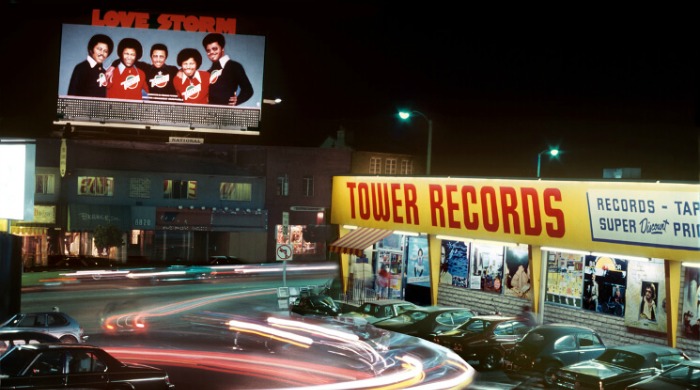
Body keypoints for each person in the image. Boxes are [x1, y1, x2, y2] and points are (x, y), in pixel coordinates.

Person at [110, 43, 179, 101]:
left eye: (161, 56)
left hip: (171, 105)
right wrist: (112, 67)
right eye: (155, 56)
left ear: (165, 57)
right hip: (153, 106)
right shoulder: (146, 68)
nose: (158, 59)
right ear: (151, 57)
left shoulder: (173, 70)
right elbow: (126, 60)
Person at [202, 33, 253, 106]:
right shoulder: (208, 72)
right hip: (209, 113)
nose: (211, 52)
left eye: (215, 49)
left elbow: (248, 90)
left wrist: (238, 99)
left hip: (226, 113)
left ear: (222, 48)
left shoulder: (234, 66)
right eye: (208, 50)